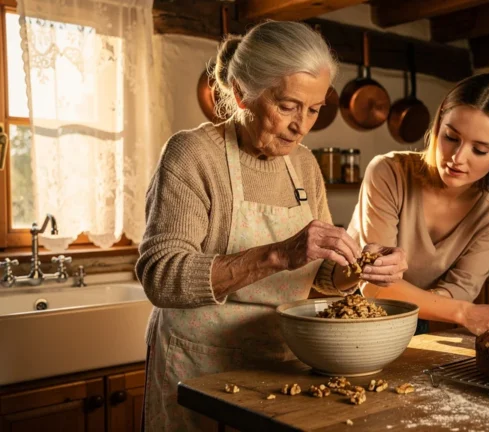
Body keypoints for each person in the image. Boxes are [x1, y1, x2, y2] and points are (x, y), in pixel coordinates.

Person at [135, 21, 407, 431]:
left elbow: (319, 276)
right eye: (288, 106)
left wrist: (359, 267)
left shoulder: (303, 164)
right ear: (244, 93)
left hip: (284, 366)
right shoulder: (192, 154)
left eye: (314, 109)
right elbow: (161, 276)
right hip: (198, 366)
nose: (303, 125)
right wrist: (277, 254)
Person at [348, 73, 489, 336]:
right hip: (351, 315)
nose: (458, 158)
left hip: (420, 322)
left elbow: (462, 288)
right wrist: (459, 311)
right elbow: (376, 286)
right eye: (451, 137)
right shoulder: (388, 172)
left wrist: (426, 303)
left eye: (480, 150)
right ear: (438, 124)